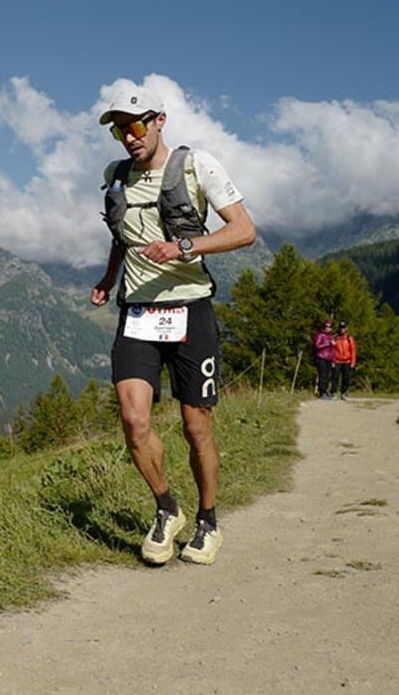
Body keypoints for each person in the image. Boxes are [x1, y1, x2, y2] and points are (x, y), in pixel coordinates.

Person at [91, 83, 255, 566]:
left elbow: (244, 231)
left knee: (195, 425)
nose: (129, 136)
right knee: (133, 419)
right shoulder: (115, 176)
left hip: (190, 310)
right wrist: (108, 276)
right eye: (120, 129)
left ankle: (208, 520)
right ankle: (167, 509)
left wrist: (184, 247)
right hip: (138, 311)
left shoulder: (196, 166)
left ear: (160, 120)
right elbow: (122, 232)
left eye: (136, 125)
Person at [331, 321, 357, 400]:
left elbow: (353, 350)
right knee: (335, 377)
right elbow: (332, 350)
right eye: (341, 328)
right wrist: (332, 360)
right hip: (337, 361)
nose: (342, 329)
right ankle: (334, 393)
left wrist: (353, 361)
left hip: (347, 361)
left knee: (346, 378)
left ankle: (344, 393)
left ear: (346, 328)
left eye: (343, 328)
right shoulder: (335, 337)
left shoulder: (349, 338)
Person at [313, 320, 335, 399]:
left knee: (327, 376)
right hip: (321, 358)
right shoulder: (320, 335)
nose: (328, 328)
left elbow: (332, 350)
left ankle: (325, 390)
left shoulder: (331, 336)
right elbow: (317, 346)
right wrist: (328, 343)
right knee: (322, 375)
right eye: (327, 326)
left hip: (329, 359)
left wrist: (333, 360)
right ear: (324, 327)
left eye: (330, 327)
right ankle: (322, 392)